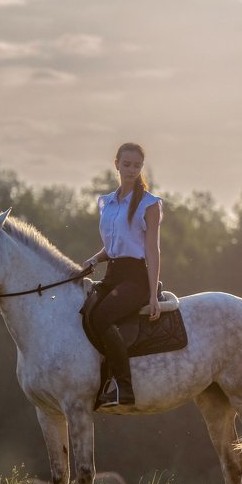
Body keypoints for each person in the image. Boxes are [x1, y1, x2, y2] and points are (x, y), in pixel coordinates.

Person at [84, 142, 163, 409]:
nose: (131, 170)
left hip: (136, 278)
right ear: (116, 164)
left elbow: (151, 250)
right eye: (126, 164)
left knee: (102, 316)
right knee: (85, 312)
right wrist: (94, 260)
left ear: (141, 167)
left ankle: (124, 388)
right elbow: (113, 245)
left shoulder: (150, 204)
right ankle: (97, 381)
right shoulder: (106, 202)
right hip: (112, 274)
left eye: (137, 165)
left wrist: (152, 295)